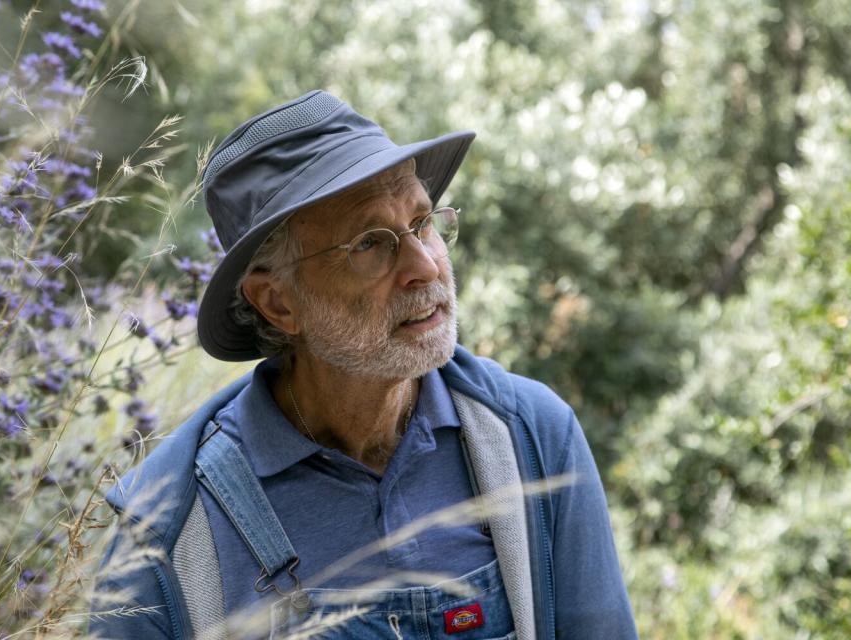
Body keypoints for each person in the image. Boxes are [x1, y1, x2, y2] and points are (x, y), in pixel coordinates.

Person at [90, 90, 638, 640]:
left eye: (423, 223)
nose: (424, 267)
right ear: (278, 303)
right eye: (370, 243)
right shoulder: (163, 527)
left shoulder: (532, 438)